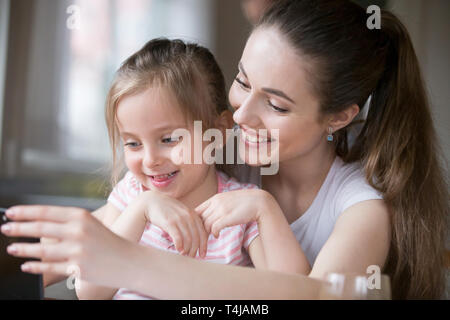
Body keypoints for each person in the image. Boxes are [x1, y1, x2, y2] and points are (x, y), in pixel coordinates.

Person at [2, 0, 448, 299]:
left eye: (275, 104)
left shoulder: (360, 210)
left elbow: (315, 298)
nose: (239, 116)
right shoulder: (212, 158)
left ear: (339, 116)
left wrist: (261, 206)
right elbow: (79, 247)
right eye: (242, 81)